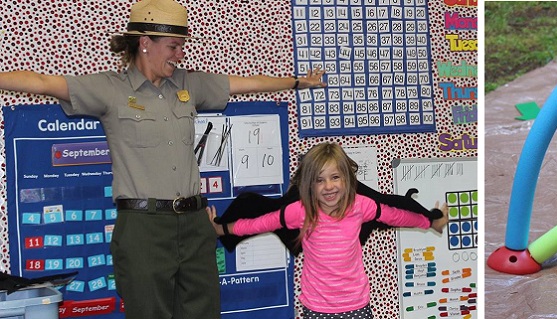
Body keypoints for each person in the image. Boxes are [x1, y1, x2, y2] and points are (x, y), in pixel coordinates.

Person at [0, 0, 327, 318]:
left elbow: (245, 84)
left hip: (196, 223)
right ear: (145, 43)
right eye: (173, 46)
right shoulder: (110, 89)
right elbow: (42, 83)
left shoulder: (187, 83)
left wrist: (299, 83)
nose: (179, 54)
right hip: (144, 228)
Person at [207, 143, 449, 318]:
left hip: (357, 307)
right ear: (309, 184)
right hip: (316, 309)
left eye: (335, 177)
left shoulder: (361, 206)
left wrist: (429, 221)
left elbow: (397, 215)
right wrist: (222, 229)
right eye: (320, 180)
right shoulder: (300, 211)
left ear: (346, 179)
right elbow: (258, 223)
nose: (329, 186)